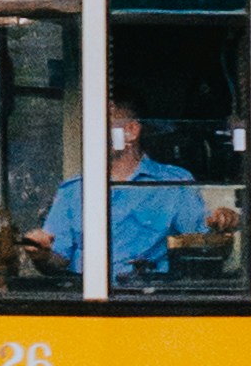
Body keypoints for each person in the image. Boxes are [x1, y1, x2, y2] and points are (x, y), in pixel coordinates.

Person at [35, 109, 238, 283]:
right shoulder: (73, 190)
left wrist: (222, 223)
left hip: (150, 301)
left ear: (131, 131)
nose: (91, 133)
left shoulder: (173, 184)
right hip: (87, 306)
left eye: (101, 123)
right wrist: (40, 254)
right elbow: (57, 260)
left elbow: (204, 245)